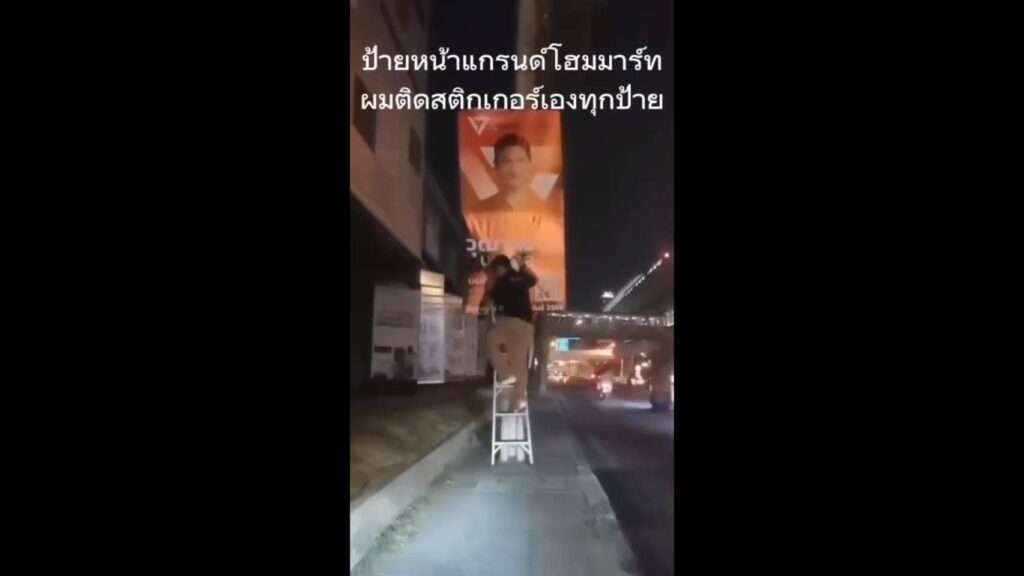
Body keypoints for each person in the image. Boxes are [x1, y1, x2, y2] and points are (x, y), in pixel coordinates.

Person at [480, 252, 536, 411]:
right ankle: (519, 399)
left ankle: (506, 374)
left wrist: (487, 291)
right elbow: (533, 280)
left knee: (490, 339)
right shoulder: (517, 277)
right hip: (525, 325)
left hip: (507, 323)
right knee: (519, 361)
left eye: (495, 270)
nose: (494, 273)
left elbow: (485, 306)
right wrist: (522, 266)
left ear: (500, 268)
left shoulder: (500, 282)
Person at [474, 133, 549, 212]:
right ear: (496, 166)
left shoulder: (547, 210)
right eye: (507, 162)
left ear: (530, 165)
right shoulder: (478, 211)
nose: (514, 169)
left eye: (520, 161)